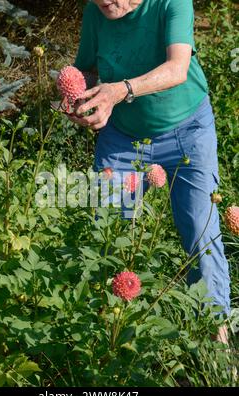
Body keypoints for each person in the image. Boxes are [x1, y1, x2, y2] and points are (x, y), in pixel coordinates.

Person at [66, 0, 231, 344]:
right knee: (105, 236)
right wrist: (77, 97)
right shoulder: (96, 11)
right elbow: (87, 72)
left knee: (201, 237)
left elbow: (177, 69)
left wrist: (120, 90)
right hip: (122, 138)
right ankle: (114, 345)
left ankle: (217, 354)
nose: (106, 2)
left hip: (187, 131)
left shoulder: (172, 3)